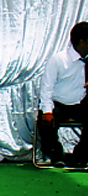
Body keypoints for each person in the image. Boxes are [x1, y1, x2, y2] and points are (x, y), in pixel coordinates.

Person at [38, 21, 88, 166]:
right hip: (58, 104)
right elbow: (46, 88)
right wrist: (47, 111)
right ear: (82, 42)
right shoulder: (58, 60)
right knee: (45, 122)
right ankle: (56, 154)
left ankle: (81, 156)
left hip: (81, 104)